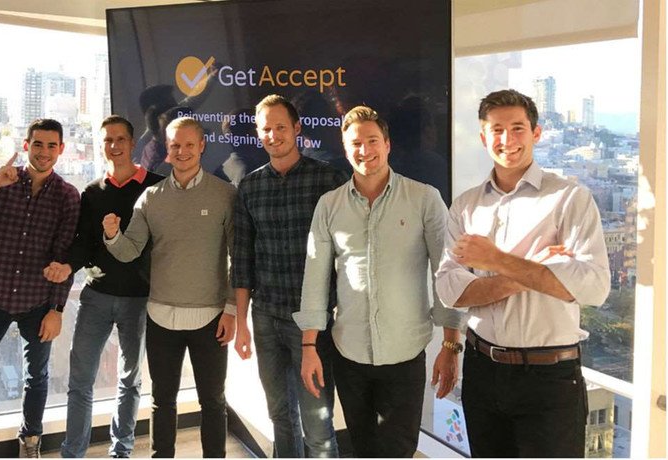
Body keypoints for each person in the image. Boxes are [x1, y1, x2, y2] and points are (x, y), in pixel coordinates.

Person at [434, 89, 610, 458]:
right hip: (482, 369)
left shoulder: (569, 199)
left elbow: (593, 287)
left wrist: (495, 260)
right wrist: (536, 269)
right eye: (496, 130)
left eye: (517, 128)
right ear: (484, 137)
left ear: (536, 133)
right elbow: (451, 291)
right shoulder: (466, 206)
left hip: (549, 377)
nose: (507, 139)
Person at [295, 106, 463, 458]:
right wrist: (309, 347)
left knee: (398, 450)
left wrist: (450, 345)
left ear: (387, 145)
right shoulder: (329, 205)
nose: (365, 150)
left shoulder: (424, 198)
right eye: (356, 143)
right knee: (363, 448)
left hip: (405, 353)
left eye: (372, 141)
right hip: (349, 352)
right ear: (345, 149)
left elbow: (446, 272)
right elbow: (315, 277)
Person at [104, 117, 236, 458]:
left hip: (210, 317)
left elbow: (239, 257)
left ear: (202, 146)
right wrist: (112, 235)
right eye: (175, 145)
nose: (182, 151)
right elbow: (130, 250)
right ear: (167, 148)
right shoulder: (151, 197)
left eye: (189, 144)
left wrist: (232, 309)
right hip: (161, 316)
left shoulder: (225, 195)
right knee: (162, 401)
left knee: (213, 401)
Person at [0, 119, 80, 458]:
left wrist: (56, 310)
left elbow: (63, 255)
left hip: (36, 302)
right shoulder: (3, 181)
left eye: (51, 146)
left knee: (36, 378)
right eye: (37, 144)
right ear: (26, 146)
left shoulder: (67, 196)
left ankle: (30, 441)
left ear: (61, 150)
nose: (44, 152)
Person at [232, 94, 347, 457]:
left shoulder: (328, 179)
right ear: (258, 133)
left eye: (280, 127)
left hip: (312, 322)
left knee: (318, 425)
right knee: (280, 417)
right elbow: (243, 260)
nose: (273, 135)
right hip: (265, 317)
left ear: (297, 128)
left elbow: (347, 253)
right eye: (266, 129)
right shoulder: (250, 187)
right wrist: (241, 323)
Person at [46, 116, 163, 458]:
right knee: (80, 381)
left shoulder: (156, 187)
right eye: (108, 140)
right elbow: (83, 243)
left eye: (120, 139)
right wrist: (68, 266)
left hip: (139, 299)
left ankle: (121, 451)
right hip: (96, 296)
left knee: (130, 381)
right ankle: (73, 452)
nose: (114, 145)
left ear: (133, 143)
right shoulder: (92, 192)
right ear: (101, 145)